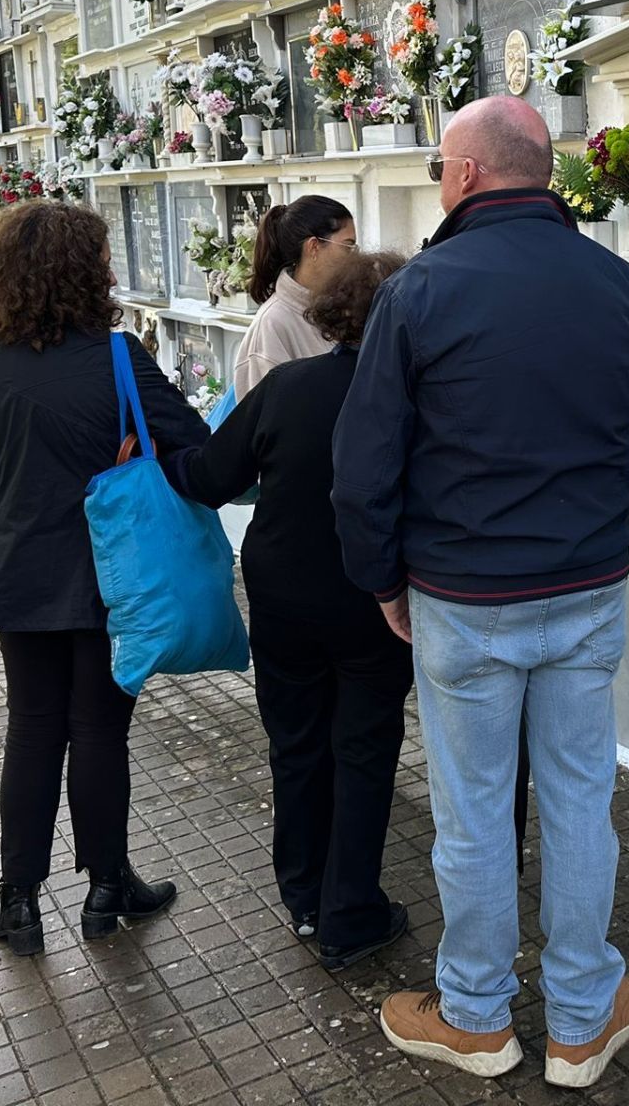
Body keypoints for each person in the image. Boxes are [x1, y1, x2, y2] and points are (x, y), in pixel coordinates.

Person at [333, 97, 629, 1088]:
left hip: (462, 594)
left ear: (470, 174)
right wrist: (587, 523)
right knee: (578, 798)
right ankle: (579, 1018)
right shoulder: (622, 286)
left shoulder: (424, 291)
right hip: (585, 589)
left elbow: (364, 471)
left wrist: (384, 580)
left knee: (475, 811)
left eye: (443, 166)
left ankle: (479, 1018)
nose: (440, 182)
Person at [0, 200, 212, 956]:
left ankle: (18, 899)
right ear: (79, 272)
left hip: (17, 569)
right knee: (99, 728)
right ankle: (107, 887)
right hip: (108, 576)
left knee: (32, 729)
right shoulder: (116, 357)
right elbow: (191, 445)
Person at [162, 251, 412, 971]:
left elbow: (211, 478)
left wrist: (153, 460)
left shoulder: (288, 386)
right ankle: (350, 911)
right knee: (363, 750)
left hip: (283, 594)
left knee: (296, 742)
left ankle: (302, 895)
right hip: (377, 602)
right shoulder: (418, 398)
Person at [233, 195, 357, 396]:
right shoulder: (272, 325)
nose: (354, 257)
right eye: (347, 246)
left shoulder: (341, 309)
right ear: (314, 247)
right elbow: (266, 420)